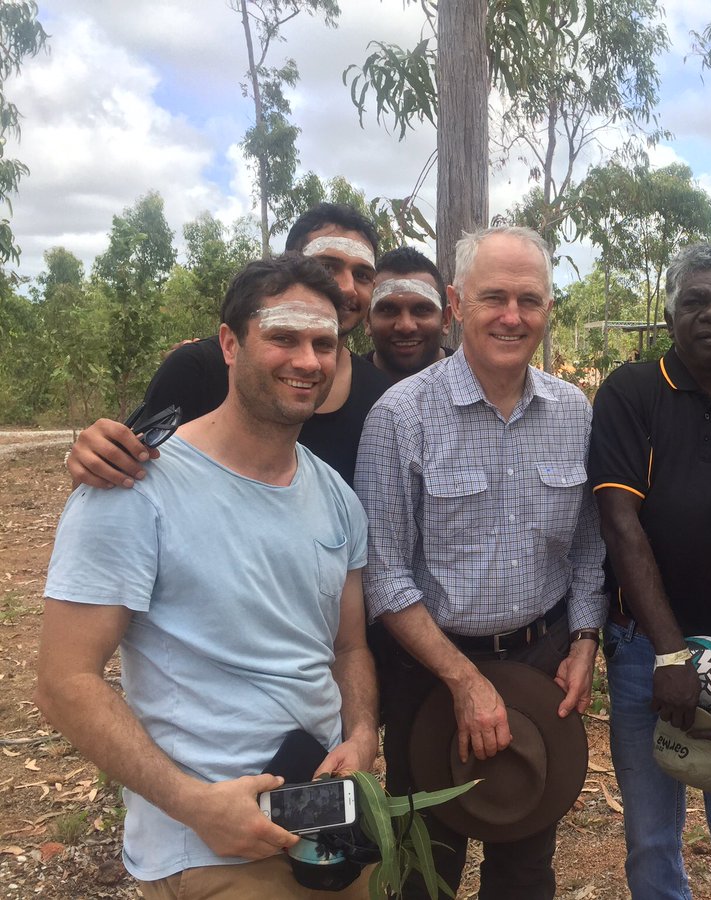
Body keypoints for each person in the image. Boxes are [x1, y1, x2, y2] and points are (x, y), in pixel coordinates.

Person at [35, 254, 378, 898]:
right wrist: (196, 805)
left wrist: (360, 735)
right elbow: (62, 681)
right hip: (210, 846)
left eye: (323, 343)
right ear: (229, 343)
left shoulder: (336, 497)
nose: (307, 360)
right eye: (282, 337)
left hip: (328, 832)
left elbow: (348, 646)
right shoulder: (135, 488)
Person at [355, 225, 607, 899]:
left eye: (530, 299)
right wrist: (464, 683)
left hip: (537, 662)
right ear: (458, 303)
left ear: (549, 308)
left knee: (526, 865)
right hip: (431, 672)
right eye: (494, 297)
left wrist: (585, 637)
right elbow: (384, 574)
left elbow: (588, 543)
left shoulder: (573, 413)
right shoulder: (400, 417)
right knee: (425, 869)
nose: (512, 316)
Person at [588, 244, 711, 899]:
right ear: (670, 315)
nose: (710, 314)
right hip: (648, 650)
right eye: (694, 301)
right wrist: (670, 656)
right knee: (651, 844)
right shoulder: (632, 392)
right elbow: (621, 523)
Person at [65, 203, 393, 487]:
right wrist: (96, 458)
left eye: (363, 275)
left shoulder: (382, 397)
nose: (347, 288)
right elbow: (126, 472)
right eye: (328, 267)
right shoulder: (198, 370)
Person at [363, 246, 453, 383]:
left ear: (446, 319)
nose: (406, 326)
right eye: (388, 310)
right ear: (368, 320)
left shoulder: (479, 382)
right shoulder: (339, 388)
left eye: (422, 310)